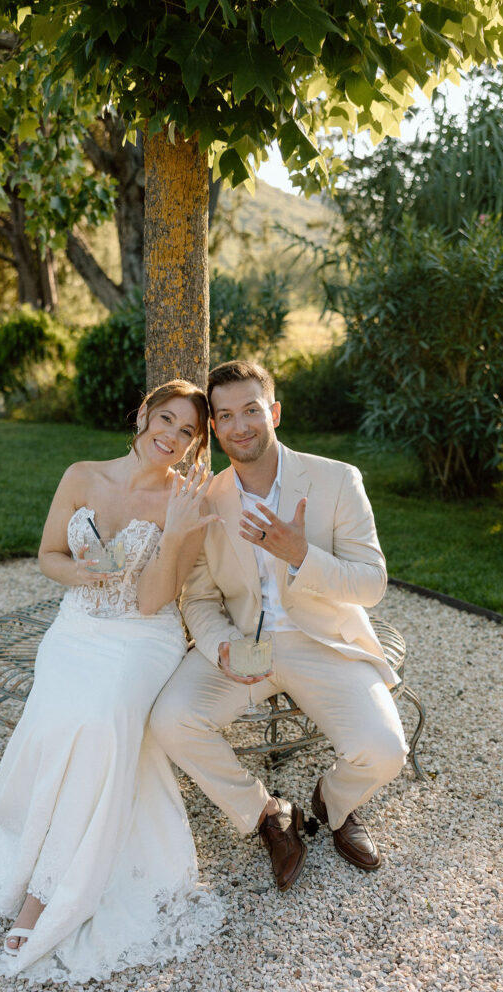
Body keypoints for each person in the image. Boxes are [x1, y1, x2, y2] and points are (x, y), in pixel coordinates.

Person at [0, 379, 224, 983]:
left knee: (101, 718)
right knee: (64, 717)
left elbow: (149, 603)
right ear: (143, 414)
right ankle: (40, 850)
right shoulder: (82, 475)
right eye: (164, 419)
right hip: (77, 628)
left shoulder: (186, 503)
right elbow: (47, 556)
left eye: (186, 431)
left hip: (142, 639)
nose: (170, 436)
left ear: (194, 445)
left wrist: (173, 533)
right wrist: (84, 574)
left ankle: (48, 895)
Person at [150, 361, 408, 892]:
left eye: (251, 410)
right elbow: (197, 597)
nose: (240, 425)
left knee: (385, 751)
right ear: (215, 430)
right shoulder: (207, 499)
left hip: (323, 641)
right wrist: (221, 647)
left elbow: (371, 583)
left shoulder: (338, 480)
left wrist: (301, 555)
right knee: (172, 720)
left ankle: (333, 804)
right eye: (226, 416)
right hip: (246, 644)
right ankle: (268, 814)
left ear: (275, 412)